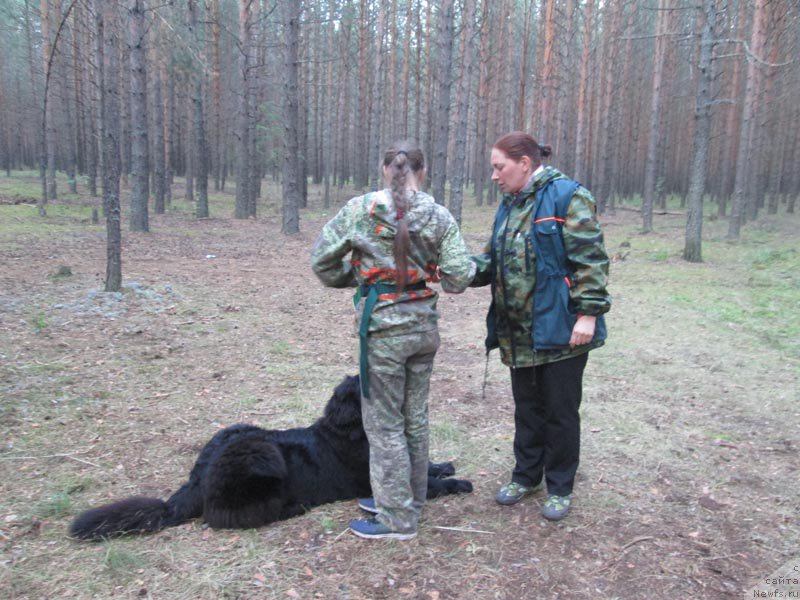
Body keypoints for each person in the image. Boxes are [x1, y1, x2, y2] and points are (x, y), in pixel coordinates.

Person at [311, 141, 475, 540]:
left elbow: (322, 262)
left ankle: (397, 519)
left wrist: (362, 277)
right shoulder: (439, 215)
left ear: (385, 169)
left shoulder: (360, 210)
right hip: (422, 330)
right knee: (414, 420)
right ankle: (408, 501)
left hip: (383, 331)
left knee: (384, 427)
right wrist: (431, 272)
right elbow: (458, 277)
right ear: (424, 170)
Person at [471, 131, 610, 521]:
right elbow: (492, 261)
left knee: (560, 411)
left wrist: (588, 314)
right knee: (527, 409)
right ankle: (526, 476)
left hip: (562, 330)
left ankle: (560, 485)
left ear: (525, 163)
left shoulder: (568, 196)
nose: (495, 176)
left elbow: (592, 262)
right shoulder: (510, 204)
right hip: (519, 330)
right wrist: (456, 271)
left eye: (499, 167)